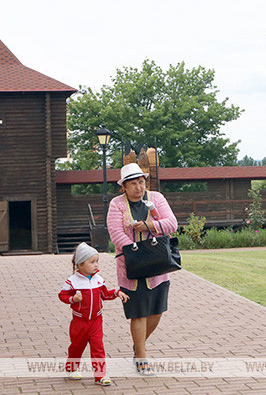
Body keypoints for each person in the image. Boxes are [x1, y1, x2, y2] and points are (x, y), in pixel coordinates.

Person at [107, 163, 178, 376]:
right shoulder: (116, 204)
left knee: (156, 313)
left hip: (157, 265)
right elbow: (116, 234)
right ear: (124, 187)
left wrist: (149, 226)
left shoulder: (156, 198)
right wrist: (135, 250)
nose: (139, 187)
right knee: (138, 314)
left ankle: (138, 348)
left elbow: (172, 224)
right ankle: (141, 357)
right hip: (132, 267)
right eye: (133, 183)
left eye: (141, 182)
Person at [59, 242, 129, 386]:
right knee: (76, 346)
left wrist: (117, 293)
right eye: (92, 262)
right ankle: (71, 369)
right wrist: (73, 299)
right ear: (80, 265)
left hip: (96, 320)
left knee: (98, 347)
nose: (96, 265)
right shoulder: (72, 281)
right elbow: (62, 295)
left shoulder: (98, 280)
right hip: (79, 322)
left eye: (97, 261)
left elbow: (105, 294)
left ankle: (100, 376)